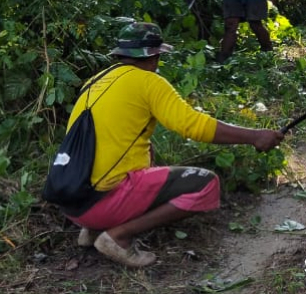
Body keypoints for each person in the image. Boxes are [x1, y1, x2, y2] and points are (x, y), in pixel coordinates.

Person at [61, 22, 283, 268]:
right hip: (102, 203)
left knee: (147, 156)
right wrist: (254, 136)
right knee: (206, 184)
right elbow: (193, 125)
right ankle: (118, 236)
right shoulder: (148, 82)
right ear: (154, 56)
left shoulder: (95, 81)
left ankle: (92, 230)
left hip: (72, 203)